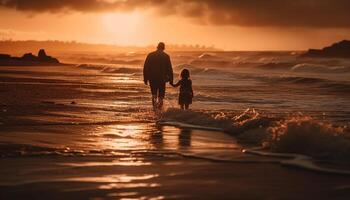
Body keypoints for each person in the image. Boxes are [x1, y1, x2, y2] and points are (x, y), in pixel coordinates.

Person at [143, 42, 173, 111]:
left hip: (152, 78)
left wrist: (145, 78)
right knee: (161, 96)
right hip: (162, 78)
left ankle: (154, 109)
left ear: (157, 47)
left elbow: (146, 67)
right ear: (163, 48)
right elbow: (169, 68)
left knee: (154, 94)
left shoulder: (150, 55)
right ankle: (160, 109)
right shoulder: (166, 56)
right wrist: (171, 80)